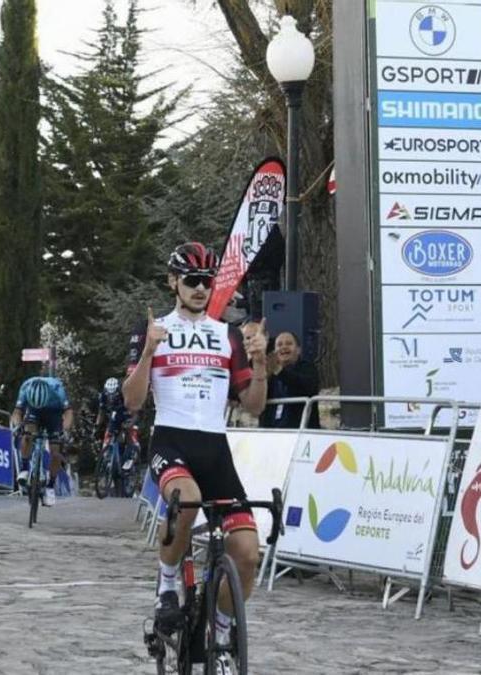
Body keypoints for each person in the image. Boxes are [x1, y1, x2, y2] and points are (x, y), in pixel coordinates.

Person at [122, 242, 268, 664]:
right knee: (184, 501)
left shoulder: (226, 335)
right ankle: (167, 582)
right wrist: (149, 351)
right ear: (173, 282)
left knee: (246, 554)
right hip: (172, 441)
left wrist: (259, 364)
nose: (201, 288)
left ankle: (221, 636)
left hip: (215, 448)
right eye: (192, 281)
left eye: (208, 281)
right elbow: (133, 402)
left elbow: (254, 405)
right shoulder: (154, 329)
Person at [10, 371, 73, 508]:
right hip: (34, 412)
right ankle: (25, 469)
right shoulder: (26, 387)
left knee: (55, 451)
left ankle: (50, 486)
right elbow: (17, 412)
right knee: (27, 435)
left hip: (54, 414)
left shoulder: (57, 389)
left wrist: (65, 431)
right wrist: (18, 426)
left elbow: (68, 412)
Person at [259, 331, 320, 429]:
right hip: (271, 433)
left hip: (300, 433)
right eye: (279, 344)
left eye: (289, 343)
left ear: (298, 350)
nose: (284, 347)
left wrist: (280, 371)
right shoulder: (270, 372)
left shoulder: (308, 368)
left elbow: (306, 387)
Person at [94, 377, 136, 470]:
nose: (111, 398)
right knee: (109, 432)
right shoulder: (103, 396)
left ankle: (131, 453)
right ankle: (107, 455)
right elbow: (101, 412)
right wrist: (96, 426)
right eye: (109, 395)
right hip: (113, 416)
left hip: (125, 412)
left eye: (114, 395)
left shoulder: (123, 394)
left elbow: (132, 408)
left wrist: (130, 421)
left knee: (127, 429)